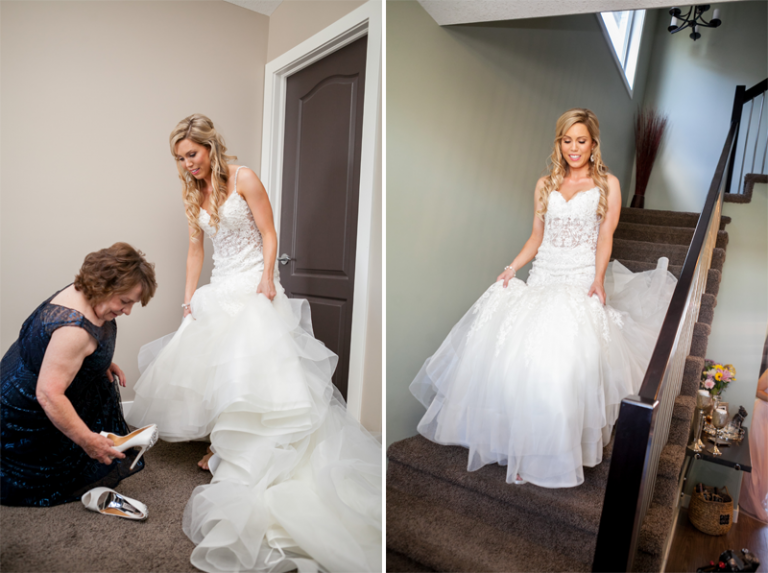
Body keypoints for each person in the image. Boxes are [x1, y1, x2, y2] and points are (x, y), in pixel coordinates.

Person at [126, 114, 382, 573]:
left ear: (210, 147)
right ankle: (221, 443)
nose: (187, 165)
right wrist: (188, 300)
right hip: (219, 288)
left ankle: (249, 449)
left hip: (253, 287)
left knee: (254, 373)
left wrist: (267, 277)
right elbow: (196, 250)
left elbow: (268, 232)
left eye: (192, 155)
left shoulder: (244, 178)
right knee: (216, 371)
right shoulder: (192, 193)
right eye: (180, 159)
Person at [409, 108, 678, 488]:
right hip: (543, 275)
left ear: (593, 144)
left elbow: (605, 237)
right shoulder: (545, 184)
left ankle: (548, 451)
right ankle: (513, 444)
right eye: (567, 141)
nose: (573, 148)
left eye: (581, 141)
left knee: (560, 364)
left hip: (579, 278)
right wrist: (512, 268)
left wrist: (598, 279)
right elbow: (537, 236)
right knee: (516, 358)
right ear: (559, 143)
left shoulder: (608, 184)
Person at [0, 243, 157, 506]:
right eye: (125, 301)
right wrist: (87, 441)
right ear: (105, 286)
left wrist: (99, 361)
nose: (128, 311)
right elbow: (48, 395)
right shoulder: (75, 330)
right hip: (26, 412)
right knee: (62, 473)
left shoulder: (84, 291)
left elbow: (55, 349)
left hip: (22, 376)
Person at [739, 367, 768, 523]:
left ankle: (755, 497)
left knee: (764, 462)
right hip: (761, 415)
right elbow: (757, 390)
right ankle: (749, 500)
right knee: (756, 458)